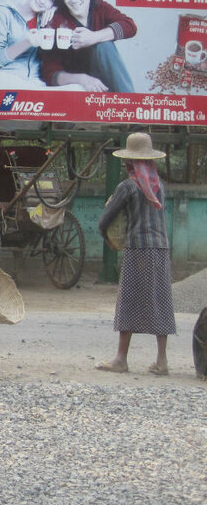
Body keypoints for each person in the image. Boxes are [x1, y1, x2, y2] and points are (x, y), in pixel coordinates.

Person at [96, 132, 175, 376]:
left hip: (138, 248)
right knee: (160, 300)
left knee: (128, 300)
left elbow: (106, 219)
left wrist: (106, 237)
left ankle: (121, 358)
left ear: (129, 161)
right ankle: (162, 360)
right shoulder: (158, 184)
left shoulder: (128, 186)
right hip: (161, 248)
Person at [41, 0, 137, 92]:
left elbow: (129, 26)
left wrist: (94, 37)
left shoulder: (99, 7)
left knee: (105, 45)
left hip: (105, 86)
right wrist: (81, 79)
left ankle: (130, 104)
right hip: (75, 88)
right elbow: (49, 73)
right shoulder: (56, 19)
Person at [0, 0, 58, 88]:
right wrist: (26, 42)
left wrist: (56, 10)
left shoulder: (46, 19)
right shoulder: (4, 13)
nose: (43, 0)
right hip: (6, 78)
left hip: (36, 83)